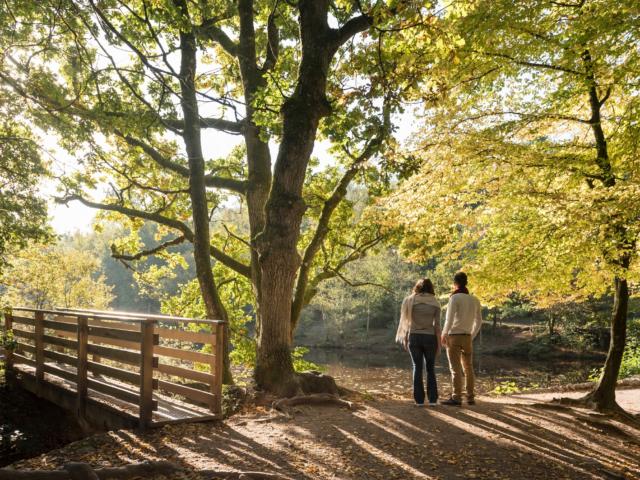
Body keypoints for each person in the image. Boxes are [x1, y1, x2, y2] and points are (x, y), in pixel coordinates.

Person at [396, 278, 442, 406]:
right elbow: (437, 325)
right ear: (431, 288)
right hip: (430, 337)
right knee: (430, 369)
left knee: (417, 367)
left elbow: (406, 323)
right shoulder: (435, 303)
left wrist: (405, 338)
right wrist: (439, 344)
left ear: (417, 287)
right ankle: (433, 400)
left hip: (414, 337)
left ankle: (419, 401)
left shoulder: (410, 300)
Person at [440, 271, 482, 406]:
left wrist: (444, 333)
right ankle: (470, 397)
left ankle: (456, 397)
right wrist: (472, 335)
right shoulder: (475, 299)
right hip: (467, 337)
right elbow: (479, 321)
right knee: (468, 368)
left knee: (455, 368)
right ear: (466, 283)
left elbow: (449, 319)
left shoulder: (455, 298)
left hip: (454, 337)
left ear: (455, 283)